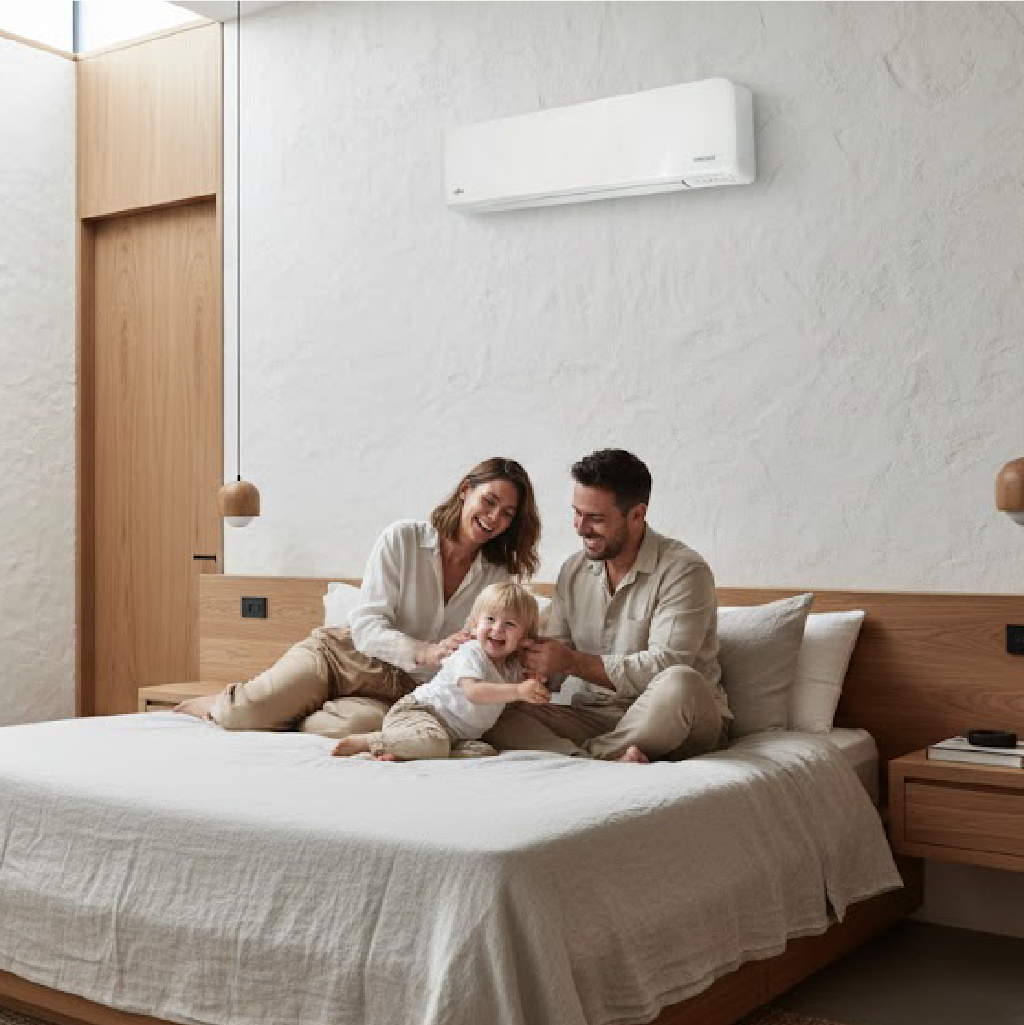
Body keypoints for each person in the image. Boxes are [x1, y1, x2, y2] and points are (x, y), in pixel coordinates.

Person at [174, 457, 541, 739]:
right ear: (465, 490)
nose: (494, 518)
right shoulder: (404, 540)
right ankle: (226, 703)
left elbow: (502, 643)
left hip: (403, 690)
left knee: (356, 728)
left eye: (507, 514)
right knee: (243, 714)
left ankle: (293, 710)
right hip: (343, 656)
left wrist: (535, 659)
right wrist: (426, 652)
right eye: (489, 502)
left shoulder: (497, 577)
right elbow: (367, 626)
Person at [485, 449, 730, 763]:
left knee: (680, 682)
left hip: (674, 715)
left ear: (636, 515)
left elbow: (665, 664)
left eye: (596, 518)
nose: (580, 527)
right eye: (577, 513)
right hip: (595, 716)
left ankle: (592, 758)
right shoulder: (573, 570)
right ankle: (601, 755)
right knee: (496, 708)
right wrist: (525, 659)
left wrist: (572, 662)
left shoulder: (684, 571)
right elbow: (556, 657)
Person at [331, 582, 549, 761]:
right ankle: (371, 741)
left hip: (453, 734)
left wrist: (535, 682)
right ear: (475, 625)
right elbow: (473, 692)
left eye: (510, 624)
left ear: (524, 637)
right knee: (434, 743)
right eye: (490, 619)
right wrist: (519, 691)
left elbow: (527, 684)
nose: (497, 628)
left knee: (484, 752)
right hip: (421, 713)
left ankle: (410, 750)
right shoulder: (471, 652)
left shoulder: (512, 668)